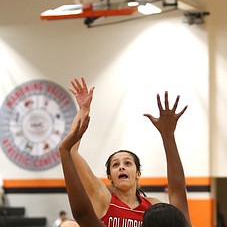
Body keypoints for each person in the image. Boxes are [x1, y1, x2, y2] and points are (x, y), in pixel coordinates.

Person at [60, 77, 191, 226]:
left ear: (138, 173)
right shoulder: (103, 197)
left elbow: (178, 198)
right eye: (115, 165)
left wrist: (168, 136)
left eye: (127, 163)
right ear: (110, 177)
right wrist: (84, 110)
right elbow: (71, 152)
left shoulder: (153, 207)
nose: (121, 166)